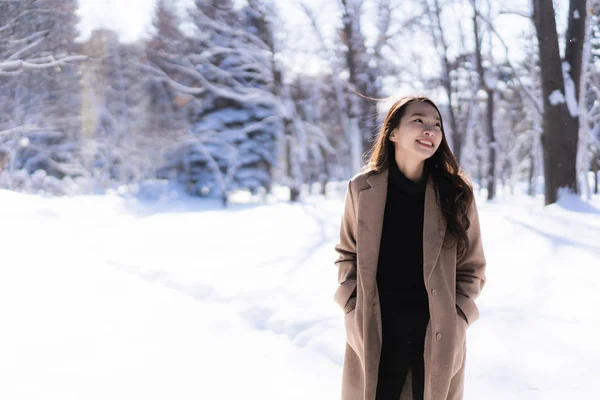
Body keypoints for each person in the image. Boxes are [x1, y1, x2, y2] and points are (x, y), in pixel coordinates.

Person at [333, 96, 486, 400]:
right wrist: (351, 306)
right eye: (419, 120)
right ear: (392, 133)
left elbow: (472, 268)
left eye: (437, 125)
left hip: (435, 333)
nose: (430, 130)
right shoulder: (362, 189)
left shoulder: (456, 194)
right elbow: (346, 254)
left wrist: (459, 317)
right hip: (376, 329)